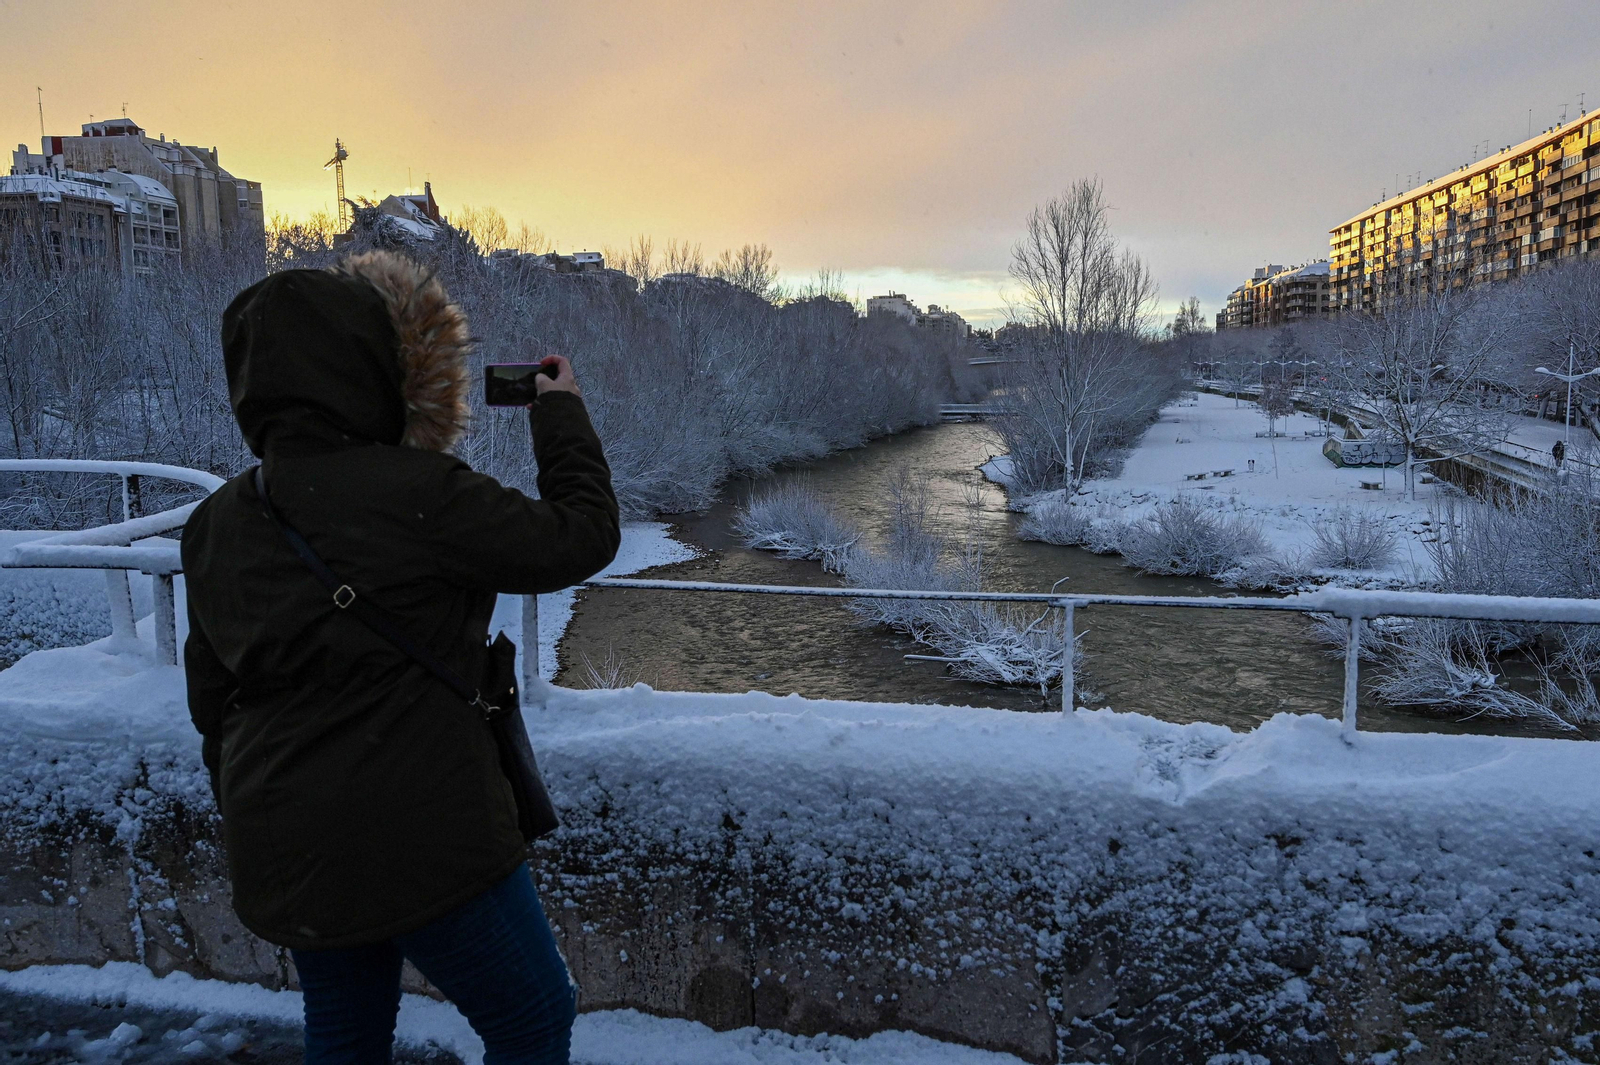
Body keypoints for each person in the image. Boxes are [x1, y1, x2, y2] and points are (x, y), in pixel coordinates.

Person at [182, 249, 620, 1065]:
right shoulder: (418, 491)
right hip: (424, 832)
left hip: (288, 839)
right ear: (373, 364)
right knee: (533, 1016)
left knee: (346, 1032)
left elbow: (214, 699)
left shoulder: (217, 521)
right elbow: (582, 534)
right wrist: (559, 411)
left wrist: (272, 801)